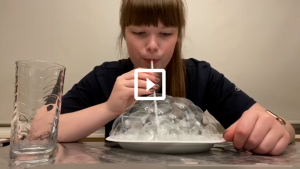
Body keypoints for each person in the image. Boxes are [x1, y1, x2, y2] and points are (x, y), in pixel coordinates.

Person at [58, 0, 295, 155]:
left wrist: (279, 130)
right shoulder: (106, 77)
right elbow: (41, 130)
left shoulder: (201, 76)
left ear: (178, 35)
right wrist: (109, 108)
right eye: (139, 33)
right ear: (124, 34)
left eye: (165, 33)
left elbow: (279, 125)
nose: (152, 45)